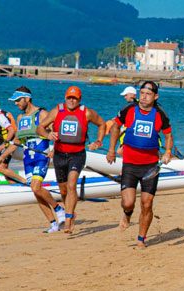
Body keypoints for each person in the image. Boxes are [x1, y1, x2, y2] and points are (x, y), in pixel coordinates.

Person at [107, 81, 172, 247]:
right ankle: (127, 214)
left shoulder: (160, 114)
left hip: (150, 166)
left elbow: (168, 136)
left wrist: (168, 152)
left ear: (155, 96)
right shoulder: (128, 109)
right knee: (128, 202)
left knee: (147, 204)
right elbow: (115, 127)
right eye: (141, 93)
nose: (143, 97)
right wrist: (112, 150)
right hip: (129, 163)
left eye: (148, 94)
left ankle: (141, 239)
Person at [0, 87, 65, 233]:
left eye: (18, 100)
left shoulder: (42, 114)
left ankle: (59, 209)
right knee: (36, 192)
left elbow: (55, 132)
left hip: (41, 156)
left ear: (27, 99)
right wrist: (1, 157)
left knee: (36, 187)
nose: (16, 103)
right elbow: (17, 141)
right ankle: (53, 224)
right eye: (14, 101)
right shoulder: (20, 118)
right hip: (28, 159)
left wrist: (54, 149)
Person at [36, 86, 106, 233]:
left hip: (77, 154)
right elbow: (40, 127)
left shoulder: (86, 113)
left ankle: (69, 218)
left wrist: (98, 142)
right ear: (65, 98)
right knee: (63, 191)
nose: (71, 100)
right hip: (60, 155)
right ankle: (69, 211)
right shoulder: (57, 111)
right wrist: (47, 135)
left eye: (74, 98)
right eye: (69, 97)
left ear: (79, 99)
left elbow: (102, 124)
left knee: (72, 185)